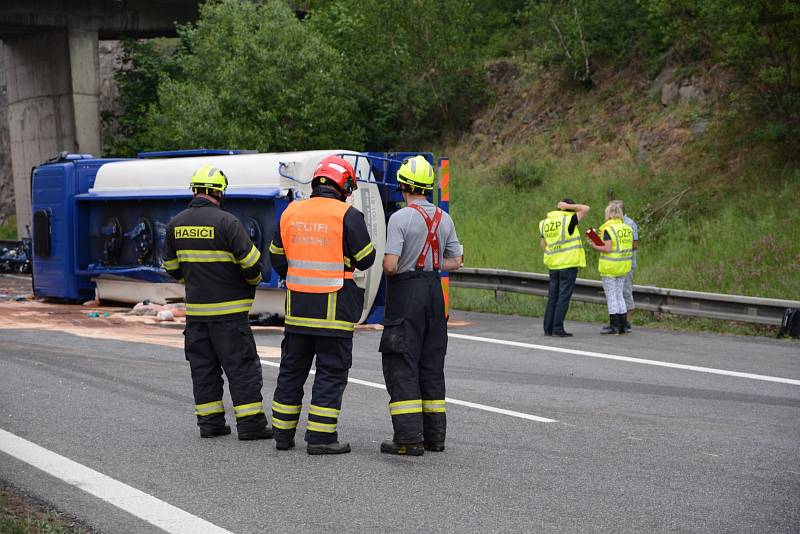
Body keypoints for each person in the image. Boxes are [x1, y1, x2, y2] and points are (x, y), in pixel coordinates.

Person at [268, 155, 375, 455]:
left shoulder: (291, 212)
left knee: (291, 372)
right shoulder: (347, 215)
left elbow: (277, 259)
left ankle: (282, 435)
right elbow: (366, 258)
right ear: (344, 186)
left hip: (298, 311)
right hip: (334, 312)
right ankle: (320, 438)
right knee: (330, 373)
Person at [162, 164, 272, 440]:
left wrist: (195, 281)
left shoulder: (176, 224)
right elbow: (252, 264)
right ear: (219, 192)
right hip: (230, 315)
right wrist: (252, 281)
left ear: (195, 190)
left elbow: (171, 267)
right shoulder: (227, 223)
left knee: (204, 370)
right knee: (242, 368)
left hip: (196, 316)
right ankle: (250, 426)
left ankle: (210, 424)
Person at [379, 155, 463, 456]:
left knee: (402, 363)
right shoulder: (444, 217)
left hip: (407, 295)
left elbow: (390, 265)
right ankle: (434, 438)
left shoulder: (400, 218)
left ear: (403, 185)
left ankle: (408, 439)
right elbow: (456, 261)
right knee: (431, 365)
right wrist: (433, 262)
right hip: (433, 294)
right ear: (427, 187)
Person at [539, 199, 589, 337]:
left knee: (552, 297)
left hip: (553, 265)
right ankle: (558, 328)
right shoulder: (569, 220)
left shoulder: (546, 223)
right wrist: (568, 206)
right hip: (568, 264)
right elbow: (585, 208)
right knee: (563, 297)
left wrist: (553, 254)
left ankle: (548, 328)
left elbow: (543, 244)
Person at [588, 202, 634, 335]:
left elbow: (607, 248)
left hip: (610, 267)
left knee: (612, 297)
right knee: (619, 295)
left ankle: (614, 326)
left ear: (608, 214)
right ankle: (623, 325)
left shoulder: (608, 229)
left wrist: (594, 245)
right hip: (623, 266)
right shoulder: (627, 228)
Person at [611, 200, 638, 332]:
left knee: (625, 291)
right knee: (615, 293)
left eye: (613, 210)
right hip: (614, 264)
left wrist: (618, 245)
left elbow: (634, 244)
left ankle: (627, 321)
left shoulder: (629, 224)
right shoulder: (610, 224)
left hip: (626, 263)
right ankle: (617, 321)